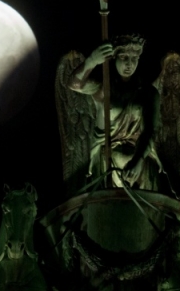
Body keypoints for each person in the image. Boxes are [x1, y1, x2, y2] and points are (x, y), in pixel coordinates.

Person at [68, 34, 163, 190]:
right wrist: (92, 60)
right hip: (107, 155)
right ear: (114, 58)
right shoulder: (103, 88)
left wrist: (138, 160)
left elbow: (149, 131)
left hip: (139, 153)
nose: (129, 64)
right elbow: (74, 84)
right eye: (124, 57)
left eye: (134, 59)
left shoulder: (148, 93)